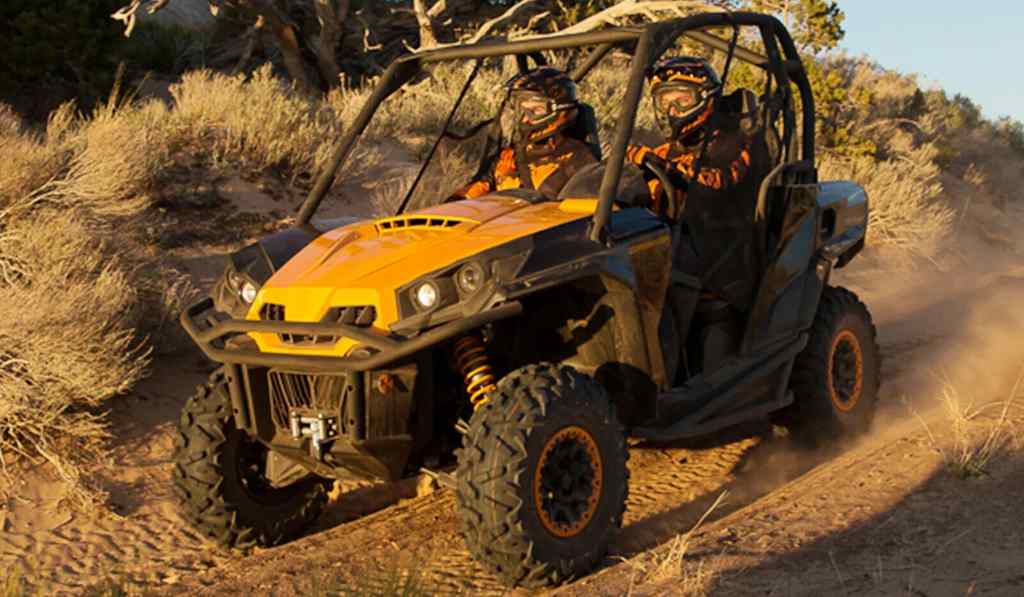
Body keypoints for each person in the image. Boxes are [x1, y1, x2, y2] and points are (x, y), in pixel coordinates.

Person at [626, 56, 771, 313]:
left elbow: (719, 180)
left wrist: (667, 168)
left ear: (706, 98)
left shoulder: (736, 142)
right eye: (666, 102)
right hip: (675, 237)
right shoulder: (668, 149)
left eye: (682, 101)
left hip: (722, 246)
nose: (673, 111)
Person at [450, 67, 600, 201]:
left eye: (535, 111)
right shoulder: (509, 156)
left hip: (541, 228)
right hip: (498, 226)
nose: (526, 119)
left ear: (559, 111)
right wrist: (452, 204)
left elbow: (581, 213)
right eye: (523, 111)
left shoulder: (580, 158)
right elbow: (479, 187)